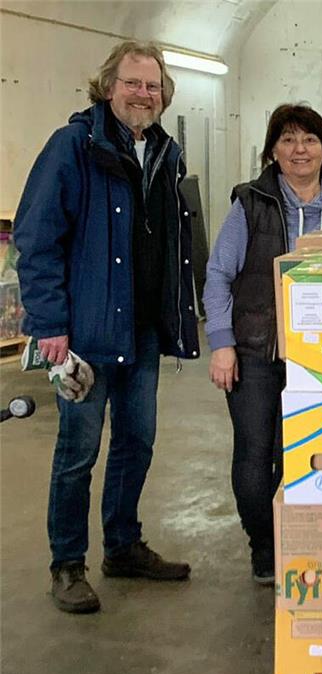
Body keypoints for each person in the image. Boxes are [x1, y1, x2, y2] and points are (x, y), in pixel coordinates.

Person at [14, 41, 199, 614]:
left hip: (141, 332)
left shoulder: (165, 153)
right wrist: (50, 326)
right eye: (133, 83)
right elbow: (36, 239)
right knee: (78, 451)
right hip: (86, 335)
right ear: (108, 86)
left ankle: (122, 546)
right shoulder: (74, 146)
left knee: (137, 443)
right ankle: (67, 563)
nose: (144, 94)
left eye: (153, 86)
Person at [203, 104, 322, 584]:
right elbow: (218, 275)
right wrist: (222, 343)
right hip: (256, 352)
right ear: (272, 150)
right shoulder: (250, 203)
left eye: (310, 139)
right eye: (289, 140)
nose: (300, 150)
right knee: (255, 455)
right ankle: (264, 548)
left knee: (305, 453)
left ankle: (303, 541)